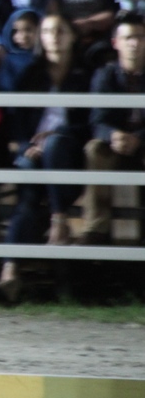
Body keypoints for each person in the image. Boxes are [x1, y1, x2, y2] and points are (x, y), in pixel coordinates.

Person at [0, 13, 91, 297]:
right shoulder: (31, 73)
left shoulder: (84, 74)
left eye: (60, 30)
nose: (54, 36)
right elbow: (19, 119)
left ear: (72, 36)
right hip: (34, 152)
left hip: (70, 152)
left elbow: (90, 122)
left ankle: (59, 219)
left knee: (55, 146)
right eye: (48, 31)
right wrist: (27, 144)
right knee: (26, 200)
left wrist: (56, 135)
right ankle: (9, 270)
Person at [82, 14, 145, 245]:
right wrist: (112, 135)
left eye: (140, 37)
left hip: (142, 141)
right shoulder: (105, 74)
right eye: (128, 37)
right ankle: (95, 228)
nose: (134, 43)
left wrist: (138, 138)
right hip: (115, 142)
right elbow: (97, 119)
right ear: (115, 42)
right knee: (94, 149)